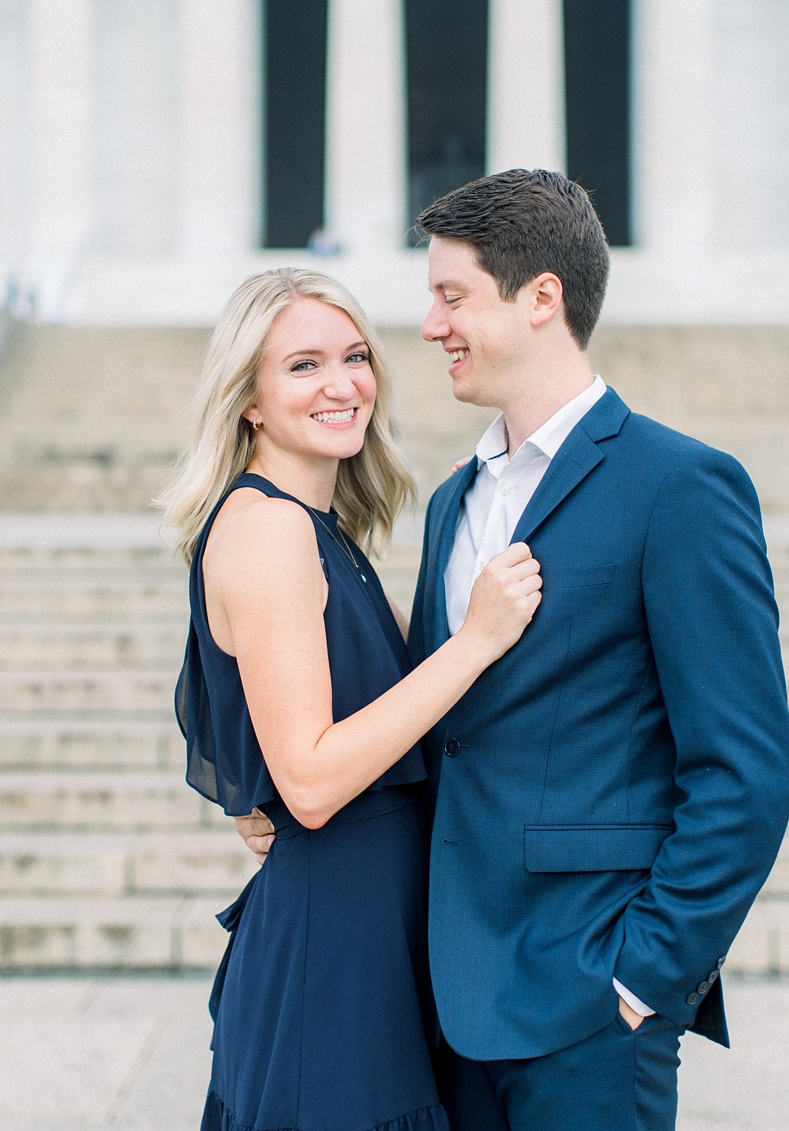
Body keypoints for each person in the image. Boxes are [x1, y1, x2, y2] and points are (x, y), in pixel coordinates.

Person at [243, 172, 789, 1131]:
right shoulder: (455, 499)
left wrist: (641, 979)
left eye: (452, 297)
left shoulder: (682, 487)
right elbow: (440, 731)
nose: (428, 326)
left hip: (589, 1007)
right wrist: (290, 798)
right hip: (440, 1004)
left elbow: (747, 774)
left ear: (542, 298)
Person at [160, 266, 542, 1131]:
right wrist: (478, 639)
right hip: (334, 945)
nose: (342, 385)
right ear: (248, 398)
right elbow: (313, 778)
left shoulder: (317, 527)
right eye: (302, 365)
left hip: (367, 926)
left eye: (356, 356)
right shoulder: (270, 528)